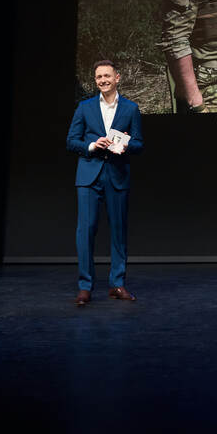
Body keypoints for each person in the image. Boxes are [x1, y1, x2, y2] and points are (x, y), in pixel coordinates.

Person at [66, 60, 144, 306]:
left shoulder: (131, 109)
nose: (103, 80)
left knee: (118, 232)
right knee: (85, 231)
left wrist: (125, 144)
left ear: (117, 77)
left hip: (117, 175)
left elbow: (140, 144)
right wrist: (91, 145)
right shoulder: (84, 107)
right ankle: (85, 287)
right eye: (99, 77)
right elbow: (71, 141)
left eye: (107, 76)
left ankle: (117, 284)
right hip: (89, 176)